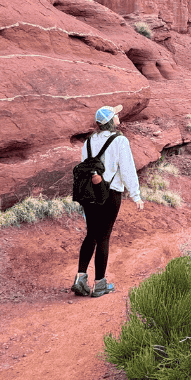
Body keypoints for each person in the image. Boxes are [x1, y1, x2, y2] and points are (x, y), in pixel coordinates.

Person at [71, 105, 144, 297]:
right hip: (110, 193)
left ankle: (80, 278)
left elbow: (86, 167)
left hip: (89, 194)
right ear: (111, 120)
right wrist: (136, 195)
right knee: (103, 236)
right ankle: (100, 284)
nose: (119, 116)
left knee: (91, 235)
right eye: (116, 114)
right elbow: (127, 169)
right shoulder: (120, 140)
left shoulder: (88, 141)